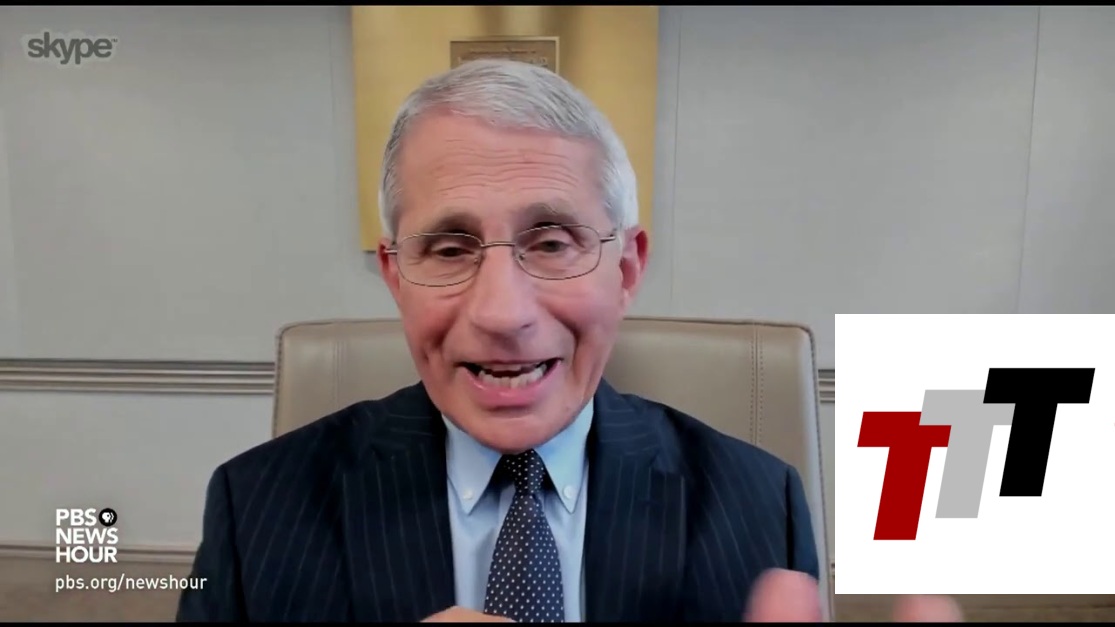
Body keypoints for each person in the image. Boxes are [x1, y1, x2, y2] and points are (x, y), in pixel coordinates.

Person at [176, 59, 961, 623]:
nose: (501, 312)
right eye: (448, 248)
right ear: (394, 273)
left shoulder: (759, 502)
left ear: (627, 268)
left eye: (551, 243)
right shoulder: (256, 507)